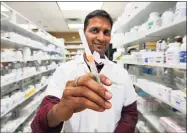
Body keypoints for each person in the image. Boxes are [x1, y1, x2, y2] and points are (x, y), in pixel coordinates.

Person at [31, 10, 138, 133]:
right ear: (84, 34)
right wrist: (59, 111)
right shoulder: (64, 71)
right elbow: (40, 123)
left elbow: (130, 114)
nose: (101, 37)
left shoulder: (121, 73)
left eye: (106, 32)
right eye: (94, 30)